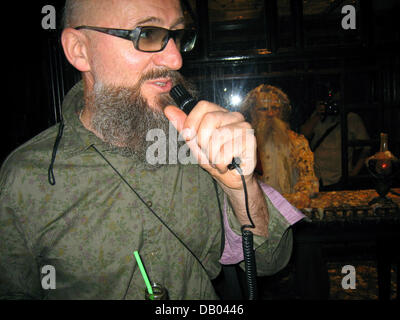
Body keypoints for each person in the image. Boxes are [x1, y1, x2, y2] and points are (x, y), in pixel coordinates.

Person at [0, 0, 305, 300]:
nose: (175, 60)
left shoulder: (198, 141)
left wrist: (243, 187)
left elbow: (270, 261)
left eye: (177, 36)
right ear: (80, 50)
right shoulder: (25, 177)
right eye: (147, 34)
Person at [241, 84, 319, 208]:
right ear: (252, 112)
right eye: (263, 109)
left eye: (275, 108)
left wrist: (302, 195)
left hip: (290, 211)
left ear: (281, 111)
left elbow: (309, 179)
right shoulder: (242, 143)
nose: (270, 113)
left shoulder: (297, 142)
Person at [300, 92, 370, 190]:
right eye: (330, 103)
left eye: (337, 102)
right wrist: (318, 114)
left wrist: (355, 172)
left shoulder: (351, 118)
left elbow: (366, 147)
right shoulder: (319, 116)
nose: (333, 106)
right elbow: (304, 134)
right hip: (317, 176)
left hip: (339, 178)